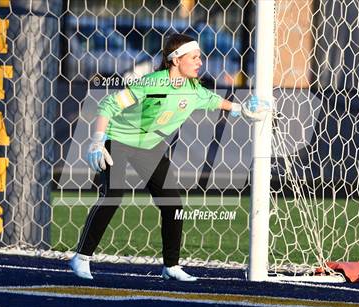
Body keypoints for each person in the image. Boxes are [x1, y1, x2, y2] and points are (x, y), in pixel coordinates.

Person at [70, 33, 261, 281]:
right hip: (117, 139)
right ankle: (81, 257)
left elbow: (214, 101)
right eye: (194, 57)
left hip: (148, 146)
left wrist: (241, 109)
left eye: (199, 57)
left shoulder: (193, 90)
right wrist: (97, 140)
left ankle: (171, 267)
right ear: (175, 59)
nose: (200, 62)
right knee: (113, 196)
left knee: (173, 204)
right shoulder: (150, 83)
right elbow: (108, 106)